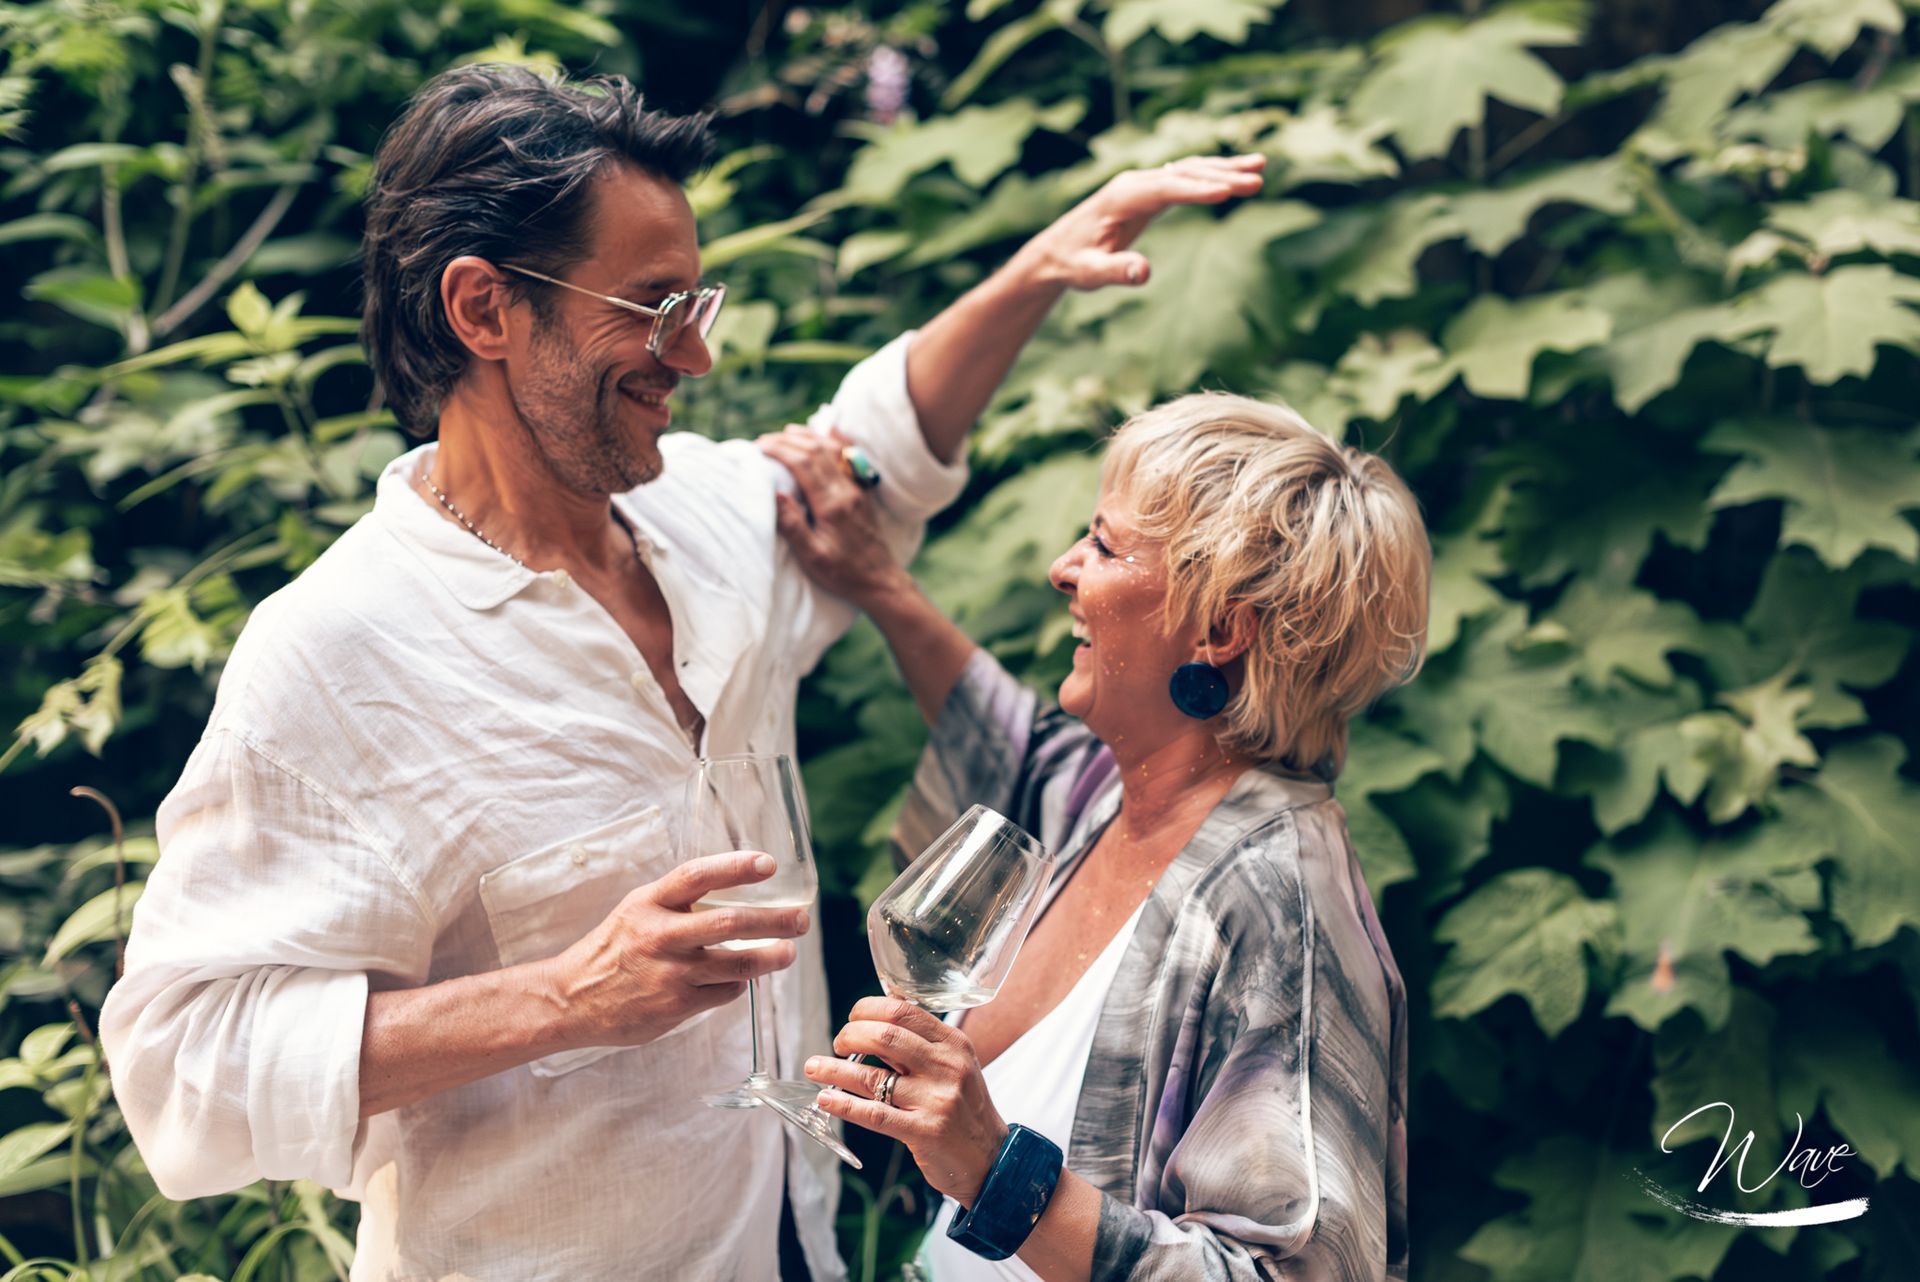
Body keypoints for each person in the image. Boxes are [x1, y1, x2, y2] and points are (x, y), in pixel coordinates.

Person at [97, 62, 1266, 1282]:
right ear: (485, 309)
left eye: (695, 303)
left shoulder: (700, 510)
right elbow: (182, 1062)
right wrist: (563, 997)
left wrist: (1035, 274)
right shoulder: (338, 653)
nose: (694, 355)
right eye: (654, 310)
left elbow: (875, 452)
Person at [760, 392, 1425, 1281]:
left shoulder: (1277, 904)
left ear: (1219, 629)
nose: (1062, 568)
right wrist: (878, 583)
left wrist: (996, 1174)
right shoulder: (1101, 797)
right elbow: (1014, 747)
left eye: (1106, 548)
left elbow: (1287, 1274)